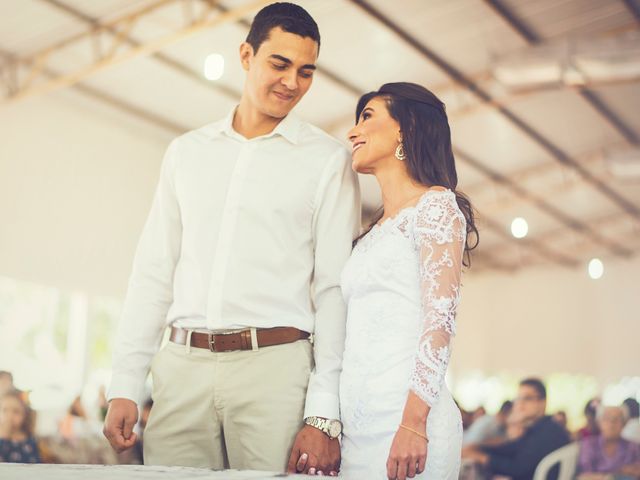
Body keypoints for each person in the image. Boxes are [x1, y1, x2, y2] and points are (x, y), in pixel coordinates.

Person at [102, 2, 360, 475]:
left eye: (306, 71)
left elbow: (333, 291)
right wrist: (125, 382)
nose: (291, 82)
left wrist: (324, 413)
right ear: (246, 55)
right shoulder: (186, 153)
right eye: (279, 64)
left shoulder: (328, 160)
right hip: (180, 368)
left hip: (276, 371)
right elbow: (154, 272)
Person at [338, 82, 478, 479]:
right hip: (357, 432)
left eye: (367, 116)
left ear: (405, 128)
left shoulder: (435, 207)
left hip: (408, 429)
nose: (352, 132)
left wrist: (414, 423)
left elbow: (440, 322)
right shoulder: (373, 231)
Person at [463, 378, 570, 480]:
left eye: (527, 398)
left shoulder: (548, 432)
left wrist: (481, 457)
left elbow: (516, 468)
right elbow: (512, 448)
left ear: (543, 402)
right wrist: (480, 448)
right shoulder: (541, 427)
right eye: (518, 398)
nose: (520, 404)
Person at [577, 405, 640, 478]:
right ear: (599, 422)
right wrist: (617, 473)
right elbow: (585, 474)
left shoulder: (633, 447)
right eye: (607, 418)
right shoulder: (589, 444)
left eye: (617, 419)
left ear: (624, 423)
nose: (611, 423)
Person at [0, 390, 41, 463]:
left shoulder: (30, 441)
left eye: (16, 411)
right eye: (5, 410)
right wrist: (3, 438)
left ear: (25, 415)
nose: (9, 416)